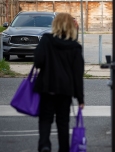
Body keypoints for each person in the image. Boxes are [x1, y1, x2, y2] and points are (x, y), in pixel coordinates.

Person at [33, 12, 84, 152]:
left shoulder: (46, 40)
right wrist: (80, 98)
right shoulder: (74, 47)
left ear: (55, 24)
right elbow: (77, 75)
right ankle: (63, 149)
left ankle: (44, 145)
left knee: (45, 119)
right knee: (63, 122)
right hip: (65, 90)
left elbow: (38, 62)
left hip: (46, 86)